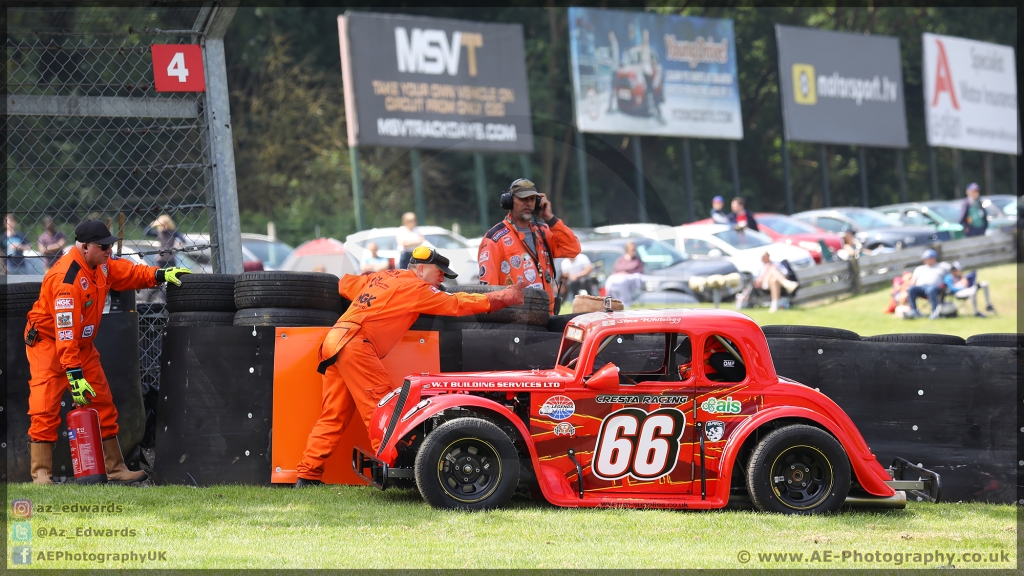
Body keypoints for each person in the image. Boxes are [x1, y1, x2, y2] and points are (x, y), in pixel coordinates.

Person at [295, 246, 525, 486]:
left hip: (334, 341)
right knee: (381, 410)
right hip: (355, 345)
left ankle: (307, 475)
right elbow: (458, 303)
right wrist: (503, 297)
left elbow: (345, 285)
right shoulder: (417, 289)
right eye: (439, 272)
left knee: (333, 416)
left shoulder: (381, 277)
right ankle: (392, 473)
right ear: (422, 269)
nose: (442, 278)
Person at [24, 220, 191, 484]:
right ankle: (41, 475)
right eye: (104, 247)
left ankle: (115, 468)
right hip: (49, 344)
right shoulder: (66, 281)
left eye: (110, 245)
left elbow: (126, 272)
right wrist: (75, 375)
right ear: (85, 246)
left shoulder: (100, 263)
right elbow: (65, 334)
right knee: (44, 407)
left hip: (80, 345)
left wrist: (158, 275)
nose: (109, 251)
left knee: (102, 402)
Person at [477, 178, 581, 314]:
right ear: (509, 201)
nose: (528, 203)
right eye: (523, 199)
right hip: (515, 319)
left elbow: (573, 249)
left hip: (546, 315)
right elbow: (489, 289)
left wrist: (550, 218)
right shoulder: (494, 238)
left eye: (532, 199)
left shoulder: (544, 231)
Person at [906, 249, 947, 319]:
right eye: (925, 259)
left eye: (928, 258)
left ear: (934, 258)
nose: (926, 260)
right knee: (911, 289)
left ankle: (935, 312)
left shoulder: (942, 266)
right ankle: (914, 311)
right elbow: (913, 281)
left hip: (935, 288)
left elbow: (951, 276)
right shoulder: (919, 269)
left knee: (931, 289)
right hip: (921, 287)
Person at [604, 241, 644, 307]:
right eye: (632, 250)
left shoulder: (636, 260)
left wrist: (626, 273)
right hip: (617, 277)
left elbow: (638, 271)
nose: (633, 251)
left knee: (622, 282)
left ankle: (625, 302)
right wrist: (619, 273)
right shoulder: (621, 260)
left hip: (629, 278)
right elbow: (615, 270)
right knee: (610, 280)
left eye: (634, 250)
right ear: (627, 250)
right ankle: (608, 300)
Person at [606, 30, 619, 114]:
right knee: (613, 89)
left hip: (615, 71)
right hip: (614, 70)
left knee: (613, 89)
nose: (610, 38)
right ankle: (612, 107)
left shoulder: (614, 44)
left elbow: (614, 60)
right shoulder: (613, 45)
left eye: (611, 36)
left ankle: (611, 107)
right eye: (609, 36)